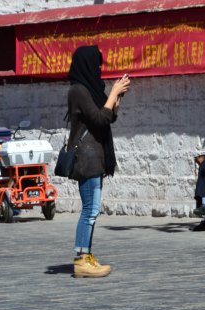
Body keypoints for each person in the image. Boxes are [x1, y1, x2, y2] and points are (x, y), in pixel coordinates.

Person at [67, 46, 130, 278]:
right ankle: (81, 259)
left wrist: (117, 97)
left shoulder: (90, 90)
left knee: (92, 210)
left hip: (95, 156)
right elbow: (99, 119)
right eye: (96, 65)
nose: (98, 70)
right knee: (90, 210)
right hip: (87, 158)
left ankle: (86, 254)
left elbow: (109, 116)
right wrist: (112, 93)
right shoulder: (78, 91)